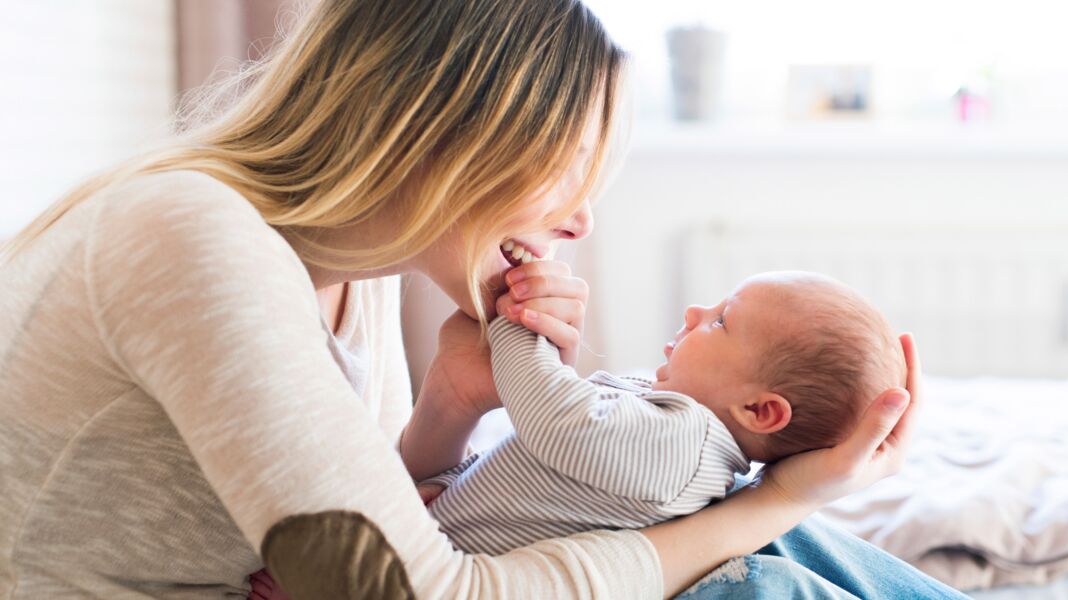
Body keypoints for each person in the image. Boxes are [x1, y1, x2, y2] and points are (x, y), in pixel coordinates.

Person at [0, 1, 943, 598]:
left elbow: (350, 519)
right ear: (455, 134)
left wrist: (449, 406)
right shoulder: (193, 237)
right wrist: (770, 500)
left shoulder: (343, 271)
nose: (576, 223)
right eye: (570, 172)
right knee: (749, 573)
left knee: (780, 557)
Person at [414, 271, 905, 555]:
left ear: (758, 409)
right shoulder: (671, 420)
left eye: (721, 321)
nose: (694, 312)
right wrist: (456, 482)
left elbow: (558, 419)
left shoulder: (684, 449)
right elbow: (534, 471)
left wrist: (519, 325)